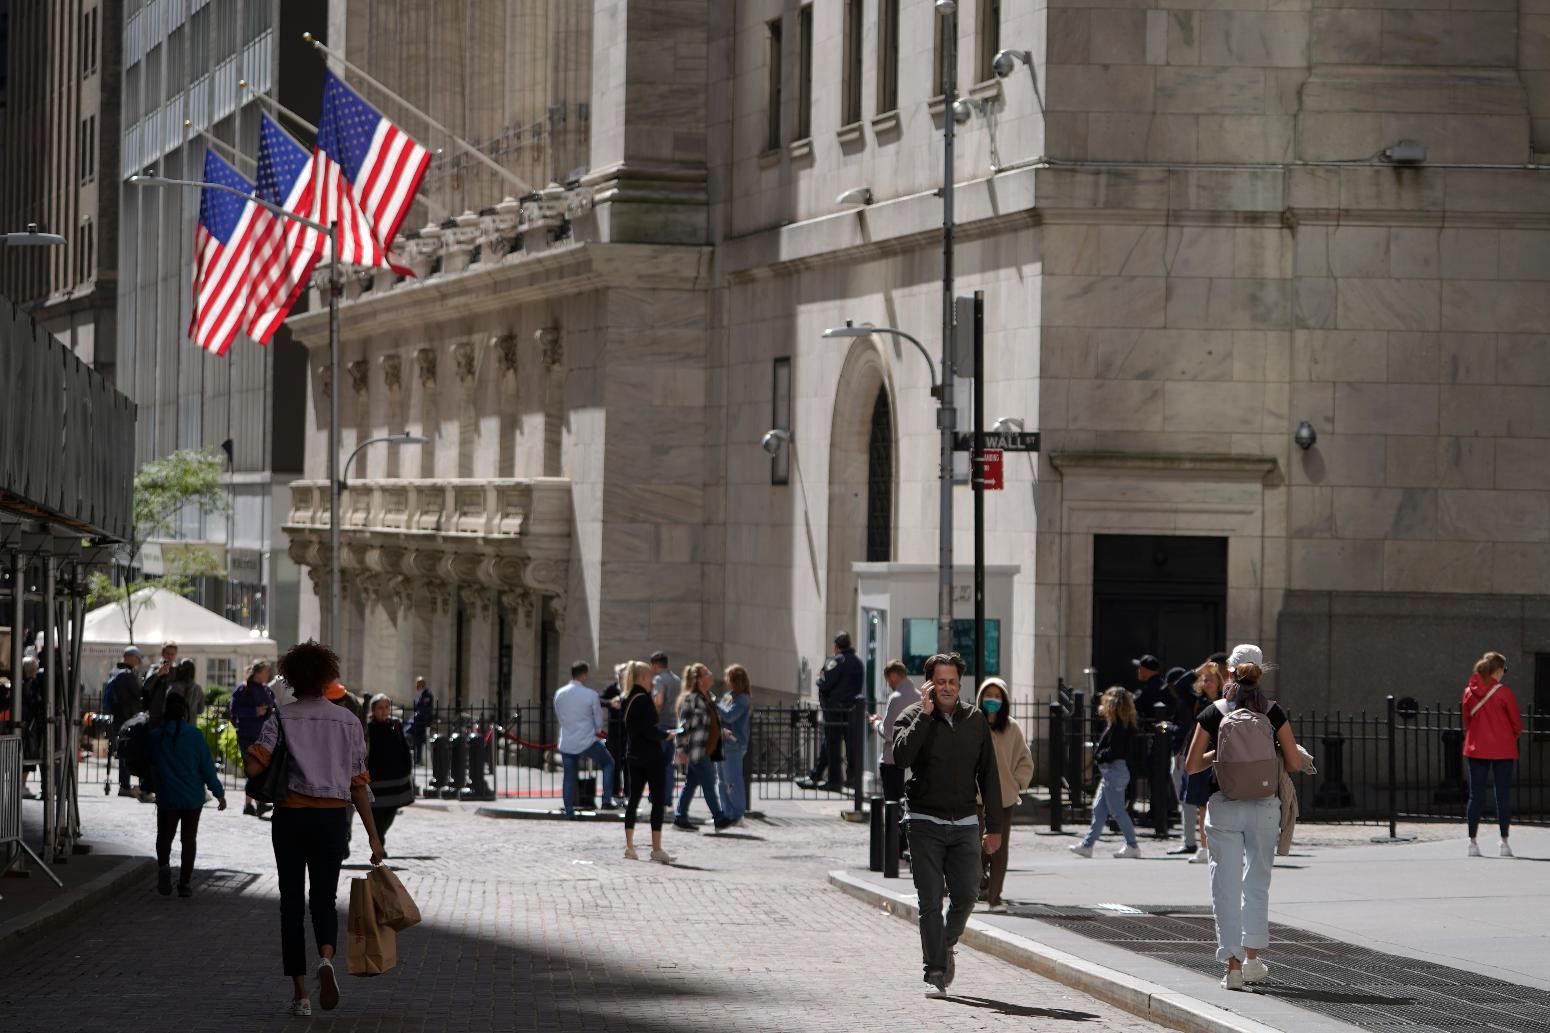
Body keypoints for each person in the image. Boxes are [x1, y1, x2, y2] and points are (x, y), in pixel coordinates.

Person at [244, 640, 383, 1018]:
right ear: (327, 679)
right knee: (323, 898)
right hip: (332, 819)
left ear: (290, 679)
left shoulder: (282, 717)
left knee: (290, 904)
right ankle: (326, 958)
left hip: (290, 817)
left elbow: (255, 768)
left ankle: (301, 994)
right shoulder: (349, 722)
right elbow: (359, 783)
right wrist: (373, 835)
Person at [1185, 644, 1303, 991]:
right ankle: (1253, 960)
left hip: (1225, 803)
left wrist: (1220, 752)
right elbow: (1295, 764)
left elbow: (1192, 765)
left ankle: (1232, 968)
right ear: (1260, 673)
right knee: (1256, 884)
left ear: (1229, 673)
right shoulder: (1272, 711)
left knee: (1225, 885)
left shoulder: (1214, 711)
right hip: (1265, 805)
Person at [892, 652, 1002, 998]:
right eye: (940, 682)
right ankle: (935, 969)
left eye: (952, 682)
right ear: (929, 684)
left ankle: (945, 945)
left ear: (960, 684)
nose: (947, 688)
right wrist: (924, 716)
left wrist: (994, 826)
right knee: (929, 900)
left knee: (968, 894)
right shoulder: (912, 716)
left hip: (966, 821)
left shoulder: (975, 719)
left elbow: (989, 774)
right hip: (924, 820)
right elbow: (901, 758)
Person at [148, 693, 227, 897]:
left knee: (164, 836)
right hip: (192, 797)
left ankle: (164, 867)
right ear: (185, 712)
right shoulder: (195, 735)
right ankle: (184, 883)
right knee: (188, 840)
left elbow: (150, 766)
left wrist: (149, 785)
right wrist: (218, 793)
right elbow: (207, 768)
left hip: (167, 795)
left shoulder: (156, 736)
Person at [976, 677, 1032, 913]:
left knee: (999, 848)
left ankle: (995, 898)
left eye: (997, 696)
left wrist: (1017, 783)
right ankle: (980, 884)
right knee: (975, 844)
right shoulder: (973, 724)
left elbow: (1025, 760)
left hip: (1004, 798)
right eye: (988, 695)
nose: (992, 700)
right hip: (976, 797)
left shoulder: (1012, 727)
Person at [1462, 651, 1522, 858]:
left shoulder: (1469, 692)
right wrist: (1506, 735)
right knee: (1502, 795)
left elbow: (1467, 721)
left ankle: (1472, 842)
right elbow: (1517, 724)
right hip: (1503, 749)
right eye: (1504, 669)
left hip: (1477, 748)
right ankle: (1504, 842)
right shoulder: (1504, 693)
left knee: (1475, 796)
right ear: (1497, 670)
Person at [1071, 687, 1142, 859]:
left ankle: (1132, 845)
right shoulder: (1121, 724)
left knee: (1117, 810)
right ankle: (1087, 845)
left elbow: (1115, 751)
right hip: (1112, 771)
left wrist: (1100, 755)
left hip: (1114, 770)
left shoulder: (1120, 726)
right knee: (1099, 809)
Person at [621, 660, 676, 863]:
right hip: (650, 756)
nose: (653, 680)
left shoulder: (628, 697)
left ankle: (629, 846)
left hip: (633, 754)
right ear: (643, 677)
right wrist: (666, 735)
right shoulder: (643, 699)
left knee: (633, 800)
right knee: (658, 800)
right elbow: (650, 730)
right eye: (651, 677)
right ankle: (656, 847)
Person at [799, 631, 865, 791]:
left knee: (832, 744)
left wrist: (818, 679)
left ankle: (834, 780)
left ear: (836, 646)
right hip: (852, 710)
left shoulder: (835, 661)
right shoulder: (858, 662)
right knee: (846, 745)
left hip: (835, 710)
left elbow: (825, 683)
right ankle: (845, 777)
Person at [673, 663, 733, 832]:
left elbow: (707, 725)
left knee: (691, 783)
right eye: (707, 673)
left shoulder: (709, 698)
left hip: (707, 748)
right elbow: (682, 727)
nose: (711, 674)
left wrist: (721, 732)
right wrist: (680, 750)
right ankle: (718, 817)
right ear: (699, 680)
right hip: (697, 751)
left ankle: (680, 817)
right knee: (709, 782)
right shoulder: (691, 699)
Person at [869, 659, 919, 857]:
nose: (889, 683)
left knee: (892, 806)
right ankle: (905, 846)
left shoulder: (896, 697)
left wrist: (876, 724)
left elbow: (889, 732)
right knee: (907, 806)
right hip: (911, 761)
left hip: (892, 760)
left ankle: (895, 849)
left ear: (894, 675)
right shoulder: (917, 696)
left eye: (889, 679)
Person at [554, 661, 617, 817]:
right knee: (608, 763)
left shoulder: (560, 693)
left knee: (569, 775)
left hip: (567, 740)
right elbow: (598, 719)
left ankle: (569, 810)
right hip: (587, 740)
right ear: (583, 675)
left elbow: (559, 714)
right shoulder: (590, 694)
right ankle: (606, 800)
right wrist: (597, 730)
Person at [1180, 659, 1226, 863]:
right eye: (1204, 680)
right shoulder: (1198, 701)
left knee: (1222, 803)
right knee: (1202, 804)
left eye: (1211, 680)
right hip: (1201, 756)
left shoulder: (1226, 702)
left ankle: (1222, 846)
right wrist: (1198, 670)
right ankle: (1205, 847)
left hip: (1221, 756)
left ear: (1219, 683)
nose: (1207, 683)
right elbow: (1179, 686)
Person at [365, 694, 415, 851]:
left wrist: (407, 767)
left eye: (386, 707)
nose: (384, 711)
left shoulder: (395, 725)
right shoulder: (368, 727)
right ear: (373, 710)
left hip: (395, 777)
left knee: (391, 810)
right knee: (376, 812)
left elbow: (404, 747)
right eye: (380, 708)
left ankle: (379, 837)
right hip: (375, 777)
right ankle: (378, 841)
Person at [231, 660, 277, 816]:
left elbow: (273, 708)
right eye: (265, 671)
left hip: (263, 736)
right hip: (247, 734)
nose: (267, 674)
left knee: (260, 769)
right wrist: (256, 711)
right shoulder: (243, 689)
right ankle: (253, 804)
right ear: (257, 673)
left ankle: (253, 804)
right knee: (254, 769)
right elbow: (235, 709)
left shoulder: (266, 689)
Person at [1163, 666, 1200, 857]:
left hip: (1183, 754)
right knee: (1188, 801)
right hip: (1185, 753)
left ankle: (1189, 841)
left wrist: (1165, 727)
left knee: (1186, 801)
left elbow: (1181, 729)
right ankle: (1190, 840)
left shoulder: (1186, 701)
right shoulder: (1190, 701)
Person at [716, 664, 753, 825]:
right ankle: (727, 812)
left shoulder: (742, 699)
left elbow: (729, 717)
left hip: (734, 743)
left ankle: (738, 814)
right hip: (722, 742)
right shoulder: (728, 695)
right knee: (722, 780)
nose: (726, 681)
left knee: (733, 780)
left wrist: (714, 706)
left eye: (729, 678)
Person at [105, 646, 144, 797]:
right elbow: (138, 693)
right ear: (129, 657)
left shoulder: (114, 672)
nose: (138, 661)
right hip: (127, 718)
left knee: (123, 751)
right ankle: (126, 785)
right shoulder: (127, 675)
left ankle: (125, 784)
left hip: (118, 717)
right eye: (137, 658)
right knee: (129, 751)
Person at [650, 652, 680, 799]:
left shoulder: (659, 679)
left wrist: (652, 717)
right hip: (674, 725)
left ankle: (657, 798)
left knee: (656, 764)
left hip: (661, 725)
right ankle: (667, 799)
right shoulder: (677, 680)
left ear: (655, 665)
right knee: (668, 765)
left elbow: (659, 701)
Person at [599, 664, 629, 803]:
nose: (621, 677)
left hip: (629, 731)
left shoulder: (631, 688)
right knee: (615, 763)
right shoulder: (612, 688)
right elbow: (599, 700)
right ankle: (616, 794)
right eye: (619, 674)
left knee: (629, 764)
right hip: (614, 731)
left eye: (624, 674)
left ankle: (629, 794)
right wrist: (611, 702)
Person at [1132, 653, 1168, 725]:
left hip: (1149, 732)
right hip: (1166, 729)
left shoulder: (1145, 690)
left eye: (1140, 668)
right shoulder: (1166, 686)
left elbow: (1132, 707)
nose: (1138, 670)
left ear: (1144, 669)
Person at [406, 677, 434, 762]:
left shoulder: (427, 694)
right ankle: (416, 758)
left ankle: (418, 758)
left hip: (422, 721)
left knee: (419, 740)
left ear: (422, 684)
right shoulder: (421, 694)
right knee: (416, 738)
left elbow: (424, 709)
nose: (416, 686)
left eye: (417, 684)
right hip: (418, 720)